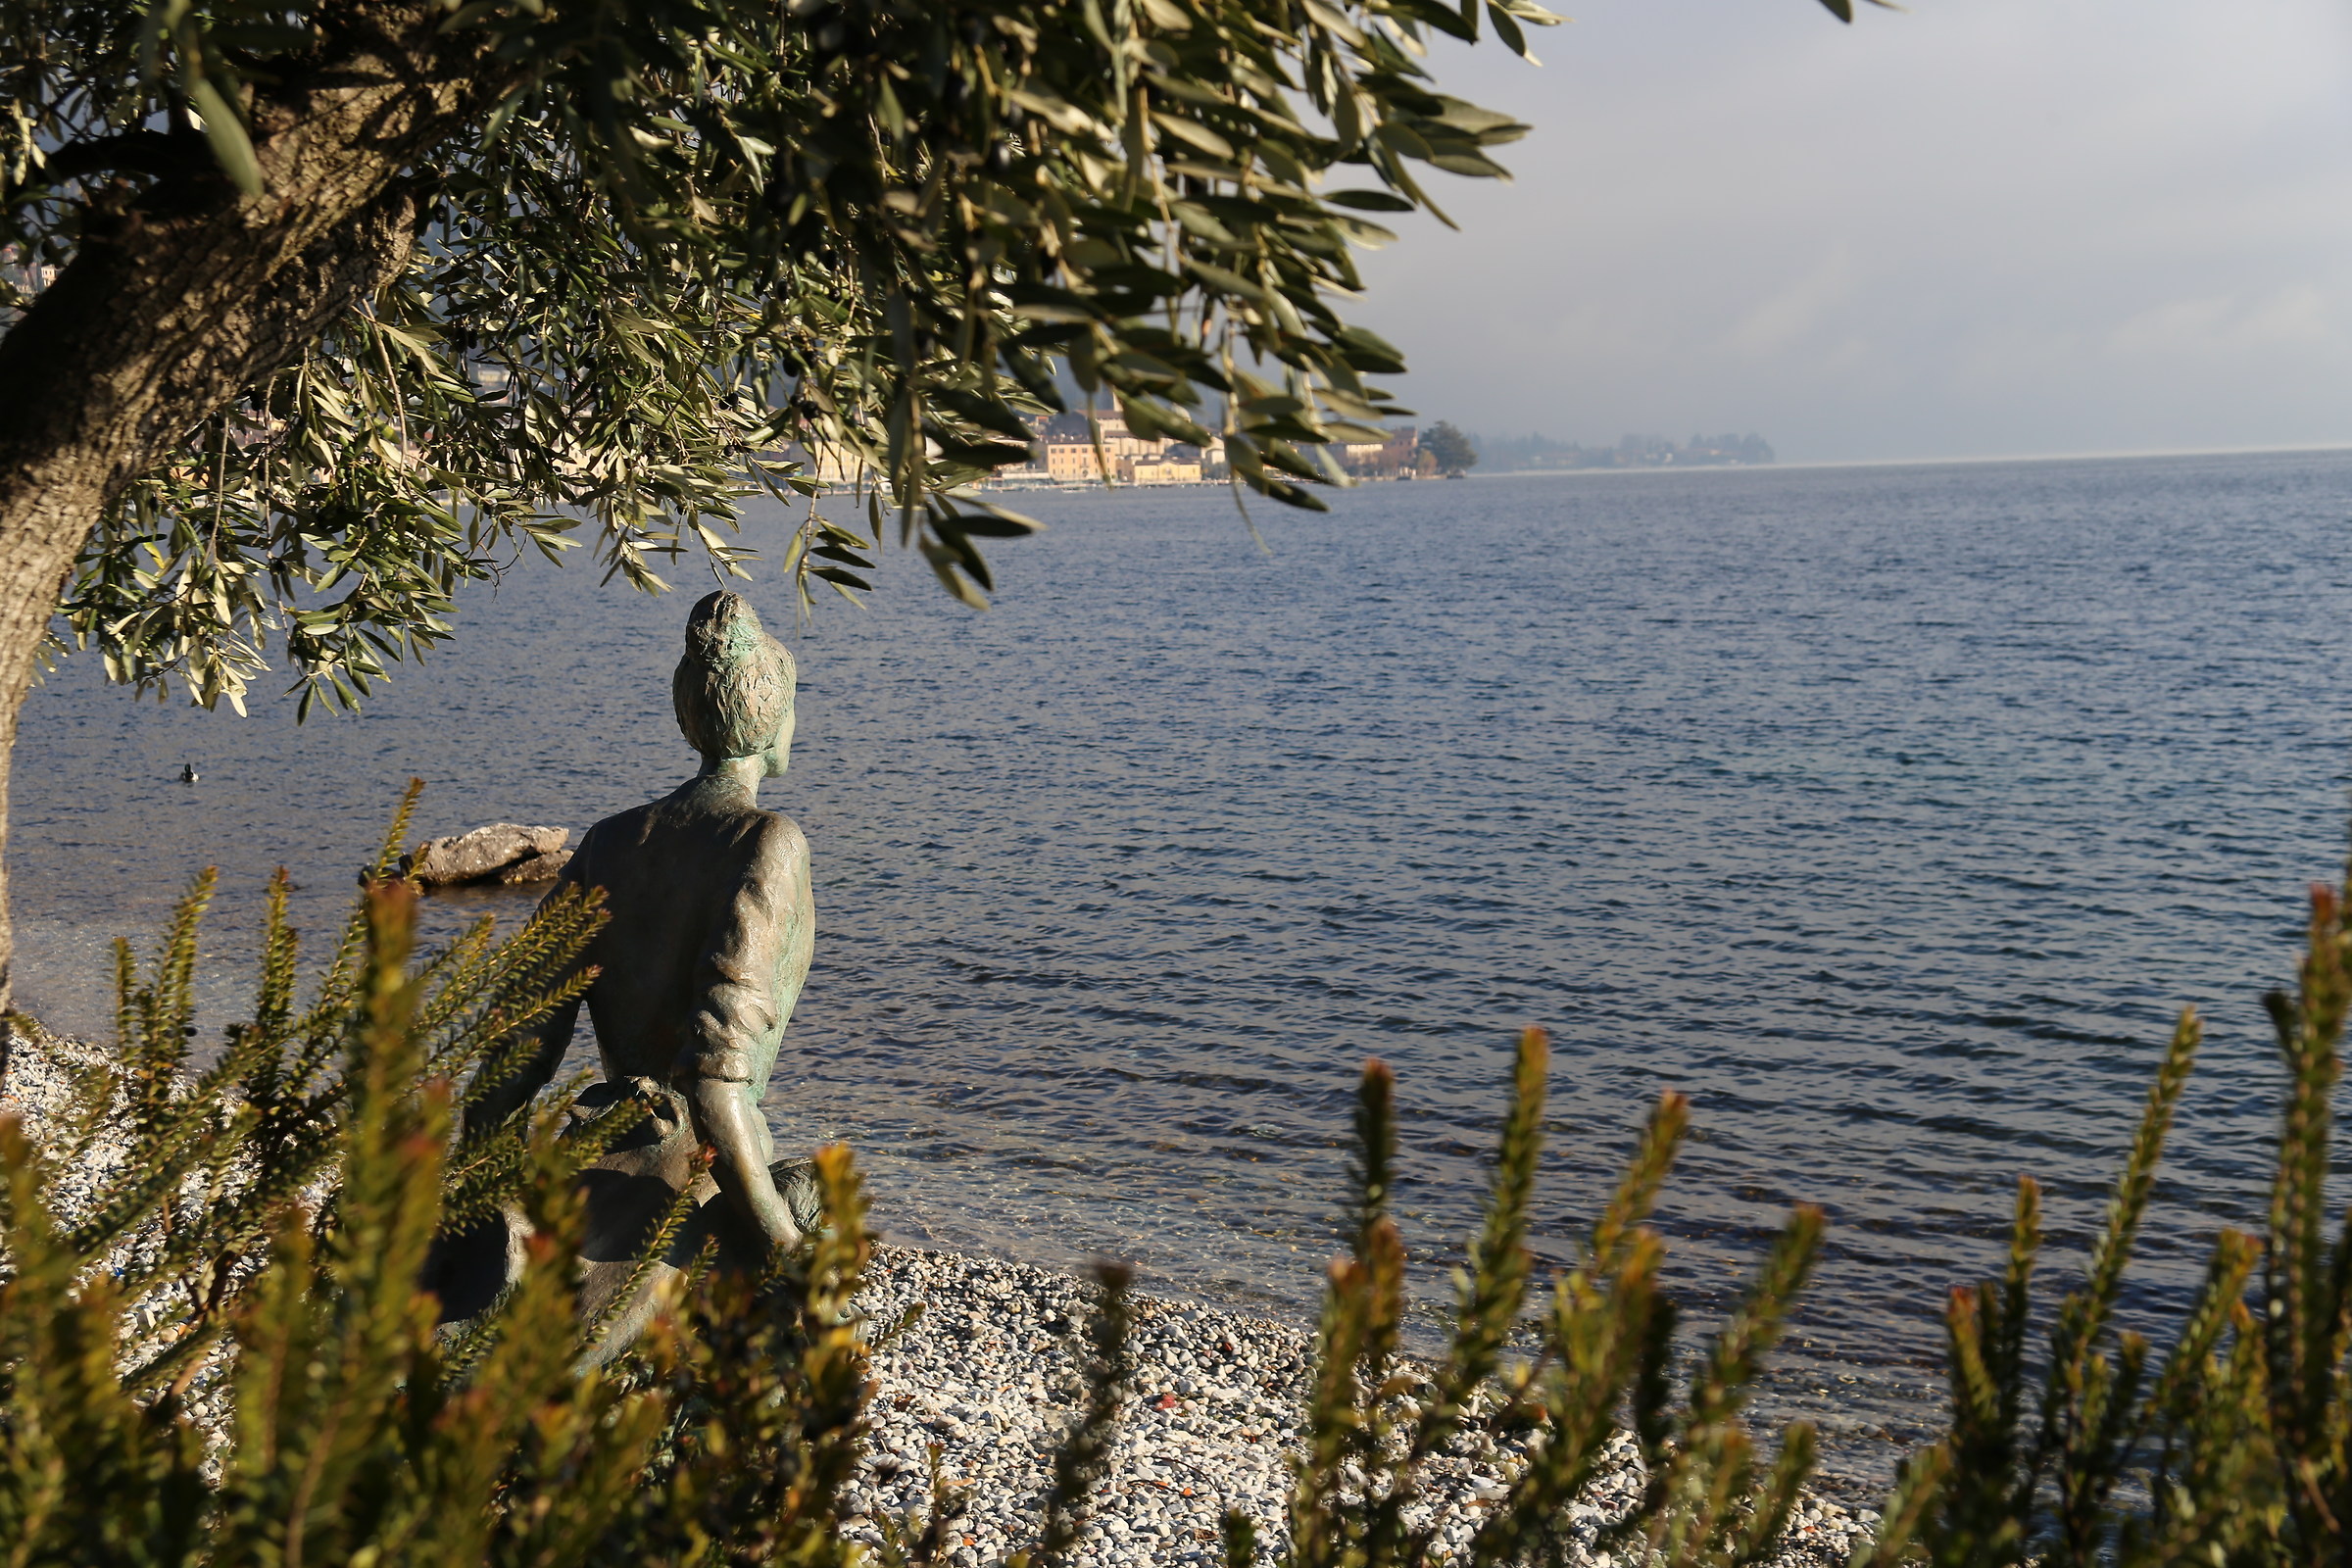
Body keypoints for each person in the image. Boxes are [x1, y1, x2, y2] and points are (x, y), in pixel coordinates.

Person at [466, 590, 815, 1257]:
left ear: (686, 720)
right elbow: (715, 1084)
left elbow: (518, 1047)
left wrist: (487, 1185)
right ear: (777, 720)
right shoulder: (770, 843)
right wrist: (786, 1247)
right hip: (697, 1170)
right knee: (811, 1199)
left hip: (602, 1147)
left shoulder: (610, 842)